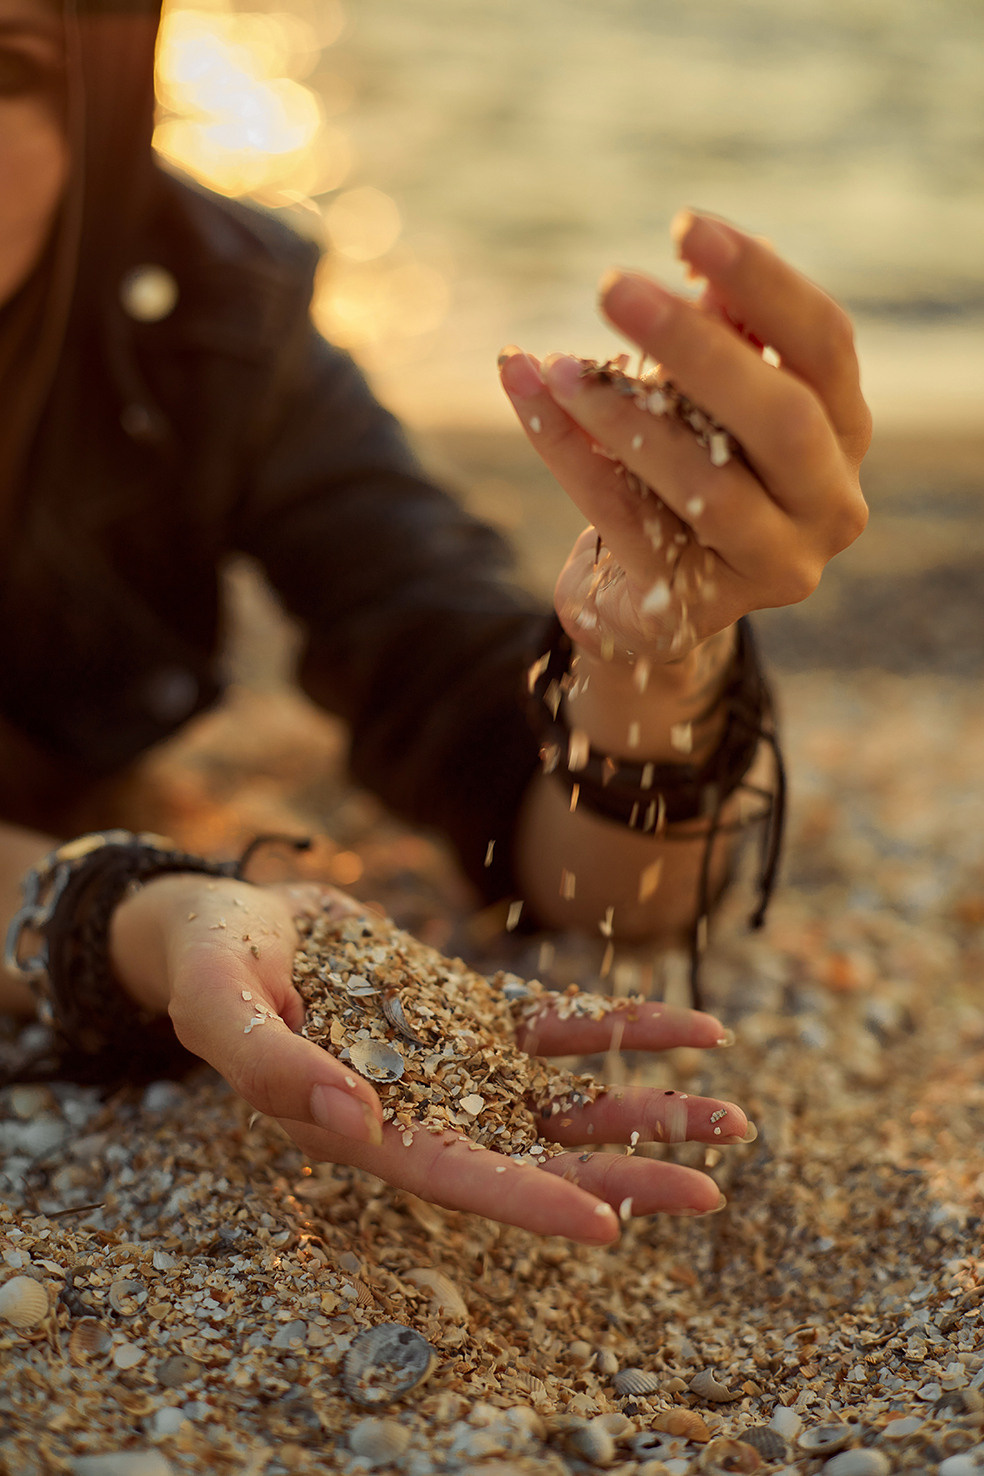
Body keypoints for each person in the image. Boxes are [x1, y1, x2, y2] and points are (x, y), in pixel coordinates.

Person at [0, 0, 870, 1244]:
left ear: (98, 92)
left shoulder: (208, 323)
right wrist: (129, 922)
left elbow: (590, 871)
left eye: (4, 65)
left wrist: (649, 661)